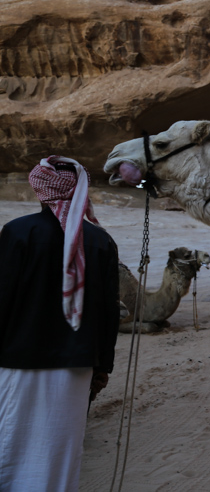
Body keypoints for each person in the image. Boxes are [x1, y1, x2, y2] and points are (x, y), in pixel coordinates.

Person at [0, 156, 120, 491]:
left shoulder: (17, 232)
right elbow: (109, 314)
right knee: (59, 450)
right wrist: (102, 367)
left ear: (41, 190)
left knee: (11, 442)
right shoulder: (100, 241)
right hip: (76, 367)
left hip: (16, 361)